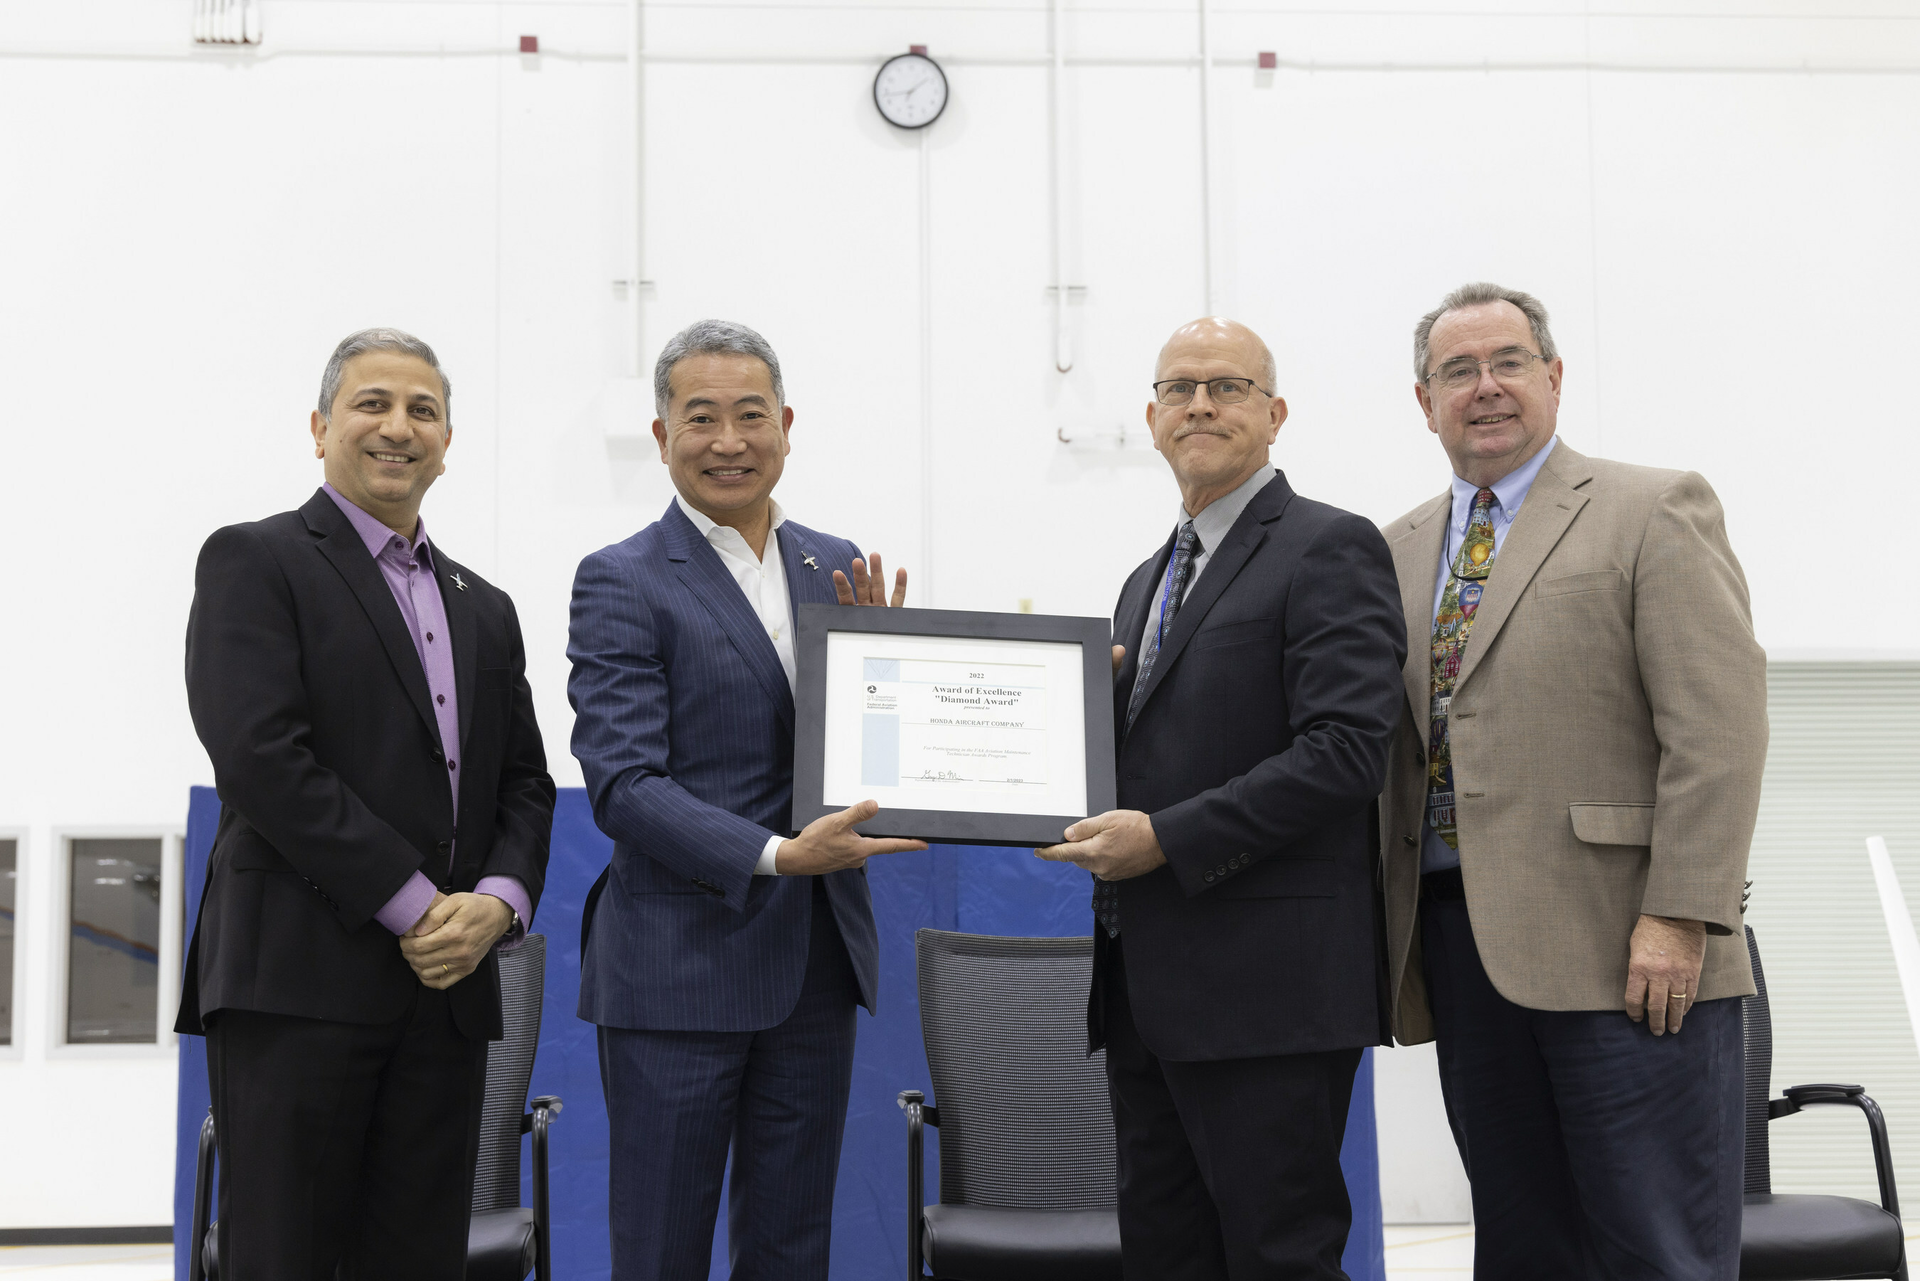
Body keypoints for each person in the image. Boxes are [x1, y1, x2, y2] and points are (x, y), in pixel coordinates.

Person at [1379, 282, 1766, 1279]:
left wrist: (1679, 913)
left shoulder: (1653, 508)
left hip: (1627, 947)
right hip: (1462, 949)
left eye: (1509, 362)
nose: (1486, 386)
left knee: (1658, 1251)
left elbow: (1718, 733)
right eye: (1458, 370)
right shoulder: (1394, 549)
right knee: (1523, 1251)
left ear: (1554, 377)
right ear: (1425, 402)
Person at [178, 328, 555, 1278]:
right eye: (372, 403)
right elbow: (261, 759)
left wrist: (498, 903)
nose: (398, 426)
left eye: (423, 410)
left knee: (420, 1260)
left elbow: (524, 781)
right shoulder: (255, 559)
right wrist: (418, 904)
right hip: (296, 984)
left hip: (446, 995)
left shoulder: (486, 605)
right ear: (319, 427)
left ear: (447, 442)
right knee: (287, 1258)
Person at [1037, 317, 1406, 1280]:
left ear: (1275, 414)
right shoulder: (1144, 580)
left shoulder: (1329, 546)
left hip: (1267, 996)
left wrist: (1166, 837)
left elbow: (1346, 752)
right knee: (1166, 1257)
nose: (1200, 404)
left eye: (1228, 387)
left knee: (1280, 1256)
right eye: (1180, 388)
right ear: (1152, 416)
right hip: (1144, 990)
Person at [568, 318, 924, 1280]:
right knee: (661, 1251)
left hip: (814, 967)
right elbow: (624, 783)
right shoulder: (622, 578)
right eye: (701, 417)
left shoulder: (833, 563)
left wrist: (887, 683)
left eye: (751, 415)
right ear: (661, 435)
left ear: (786, 426)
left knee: (791, 1248)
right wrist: (775, 855)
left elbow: (862, 761)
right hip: (676, 970)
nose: (728, 440)